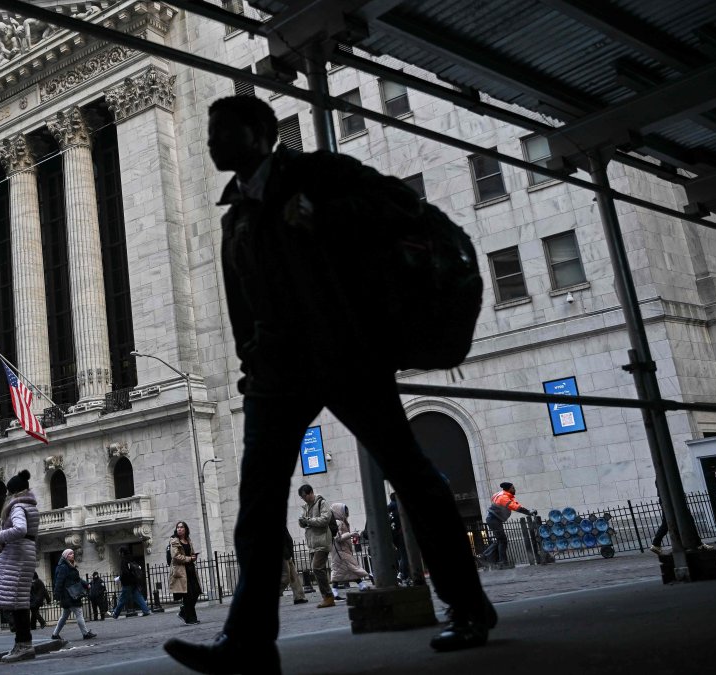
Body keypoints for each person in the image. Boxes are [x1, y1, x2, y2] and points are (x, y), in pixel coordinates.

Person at [164, 95, 499, 674]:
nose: (212, 142)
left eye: (223, 131)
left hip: (346, 354)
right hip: (277, 372)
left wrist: (324, 213)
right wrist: (250, 360)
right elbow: (243, 303)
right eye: (210, 133)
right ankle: (249, 642)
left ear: (262, 133)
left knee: (412, 475)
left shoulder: (319, 174)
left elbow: (399, 206)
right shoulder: (235, 214)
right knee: (258, 505)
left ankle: (468, 608)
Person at [0, 469, 41, 663]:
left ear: (13, 492)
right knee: (20, 601)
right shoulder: (30, 505)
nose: (6, 495)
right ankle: (22, 643)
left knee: (17, 603)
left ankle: (23, 644)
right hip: (26, 551)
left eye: (8, 492)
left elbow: (20, 529)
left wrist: (0, 536)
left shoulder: (17, 507)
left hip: (17, 553)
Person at [479, 482, 535, 568]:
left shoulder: (503, 495)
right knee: (502, 540)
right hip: (494, 520)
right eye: (513, 488)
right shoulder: (503, 497)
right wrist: (528, 512)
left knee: (500, 540)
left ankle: (484, 556)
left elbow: (515, 504)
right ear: (508, 489)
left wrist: (528, 511)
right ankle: (502, 562)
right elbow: (515, 507)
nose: (514, 489)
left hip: (493, 519)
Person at [297, 486, 335, 607]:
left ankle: (328, 596)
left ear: (311, 493)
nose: (303, 499)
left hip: (322, 541)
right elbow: (304, 523)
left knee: (317, 568)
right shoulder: (306, 506)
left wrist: (308, 520)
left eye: (304, 496)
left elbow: (325, 520)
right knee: (318, 569)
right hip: (312, 543)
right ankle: (327, 597)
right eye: (302, 497)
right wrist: (302, 521)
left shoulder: (322, 503)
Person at [51, 548, 96, 642]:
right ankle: (85, 633)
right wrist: (56, 595)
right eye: (70, 554)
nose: (73, 555)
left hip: (71, 594)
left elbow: (77, 579)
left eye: (73, 553)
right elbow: (59, 582)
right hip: (69, 595)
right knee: (79, 612)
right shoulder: (63, 567)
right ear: (66, 556)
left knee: (64, 616)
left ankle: (55, 634)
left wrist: (86, 584)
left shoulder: (70, 566)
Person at [329, 503, 371, 592]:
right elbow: (338, 538)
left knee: (341, 572)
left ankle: (335, 593)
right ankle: (362, 585)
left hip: (343, 551)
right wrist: (350, 534)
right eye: (345, 512)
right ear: (338, 512)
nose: (346, 514)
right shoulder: (338, 522)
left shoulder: (342, 522)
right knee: (352, 568)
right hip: (341, 551)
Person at [169, 521, 203, 625]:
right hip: (181, 571)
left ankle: (184, 612)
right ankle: (190, 619)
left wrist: (194, 556)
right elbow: (175, 556)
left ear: (185, 529)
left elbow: (191, 552)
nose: (179, 529)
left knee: (196, 592)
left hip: (191, 569)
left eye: (181, 527)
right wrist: (189, 559)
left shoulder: (188, 540)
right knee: (188, 595)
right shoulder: (174, 541)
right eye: (178, 527)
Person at [110, 546, 152, 619]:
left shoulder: (124, 561)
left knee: (122, 599)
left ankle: (115, 613)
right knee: (138, 596)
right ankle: (146, 610)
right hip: (134, 582)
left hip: (127, 583)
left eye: (120, 552)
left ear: (122, 553)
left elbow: (125, 573)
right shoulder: (131, 559)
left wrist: (120, 578)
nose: (119, 554)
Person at [278, 528, 307, 604]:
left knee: (294, 577)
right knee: (285, 578)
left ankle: (299, 597)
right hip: (283, 554)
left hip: (288, 552)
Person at [389, 493, 411, 582]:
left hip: (393, 535)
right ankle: (402, 574)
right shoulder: (399, 508)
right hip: (401, 534)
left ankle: (403, 573)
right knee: (404, 555)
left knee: (402, 555)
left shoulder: (388, 508)